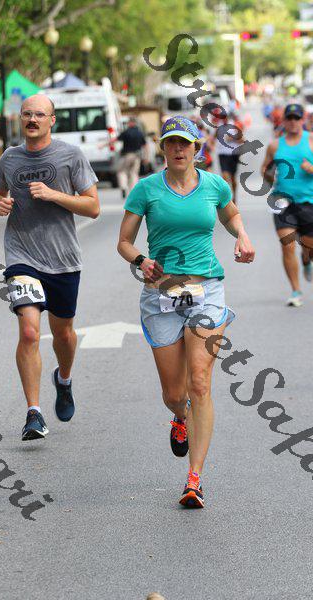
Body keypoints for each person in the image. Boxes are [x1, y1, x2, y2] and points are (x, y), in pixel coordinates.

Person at [117, 116, 254, 508]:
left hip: (206, 289)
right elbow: (124, 241)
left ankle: (194, 479)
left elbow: (230, 214)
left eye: (185, 143)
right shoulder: (146, 189)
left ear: (197, 148)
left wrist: (242, 235)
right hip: (161, 294)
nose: (178, 149)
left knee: (200, 381)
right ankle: (180, 416)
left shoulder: (214, 185)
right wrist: (141, 260)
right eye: (171, 143)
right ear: (163, 148)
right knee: (175, 394)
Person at [0, 94, 100, 440]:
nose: (32, 119)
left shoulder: (71, 155)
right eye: (27, 114)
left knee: (63, 334)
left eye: (39, 114)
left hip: (63, 259)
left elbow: (93, 206)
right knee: (29, 332)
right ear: (20, 119)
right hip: (22, 254)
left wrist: (54, 195)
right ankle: (33, 413)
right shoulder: (10, 157)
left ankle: (63, 379)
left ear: (52, 120)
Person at [261, 103, 313, 306]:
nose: (292, 122)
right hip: (282, 201)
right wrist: (268, 174)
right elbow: (265, 171)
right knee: (287, 245)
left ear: (303, 119)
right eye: (289, 118)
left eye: (296, 118)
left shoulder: (311, 140)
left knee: (309, 246)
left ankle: (306, 259)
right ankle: (296, 291)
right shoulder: (275, 145)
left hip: (309, 202)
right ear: (283, 120)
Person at [215, 112, 245, 204]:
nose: (223, 119)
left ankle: (234, 196)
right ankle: (227, 198)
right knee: (225, 176)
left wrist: (232, 138)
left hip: (233, 154)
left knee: (232, 178)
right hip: (222, 154)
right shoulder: (218, 126)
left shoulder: (234, 126)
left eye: (224, 117)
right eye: (221, 117)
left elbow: (242, 140)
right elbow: (214, 137)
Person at [117, 117, 147, 198]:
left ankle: (123, 187)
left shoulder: (126, 132)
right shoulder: (140, 133)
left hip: (127, 155)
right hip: (137, 156)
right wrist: (146, 157)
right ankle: (133, 190)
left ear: (130, 123)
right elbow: (145, 145)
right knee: (134, 173)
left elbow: (116, 139)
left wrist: (103, 145)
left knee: (122, 171)